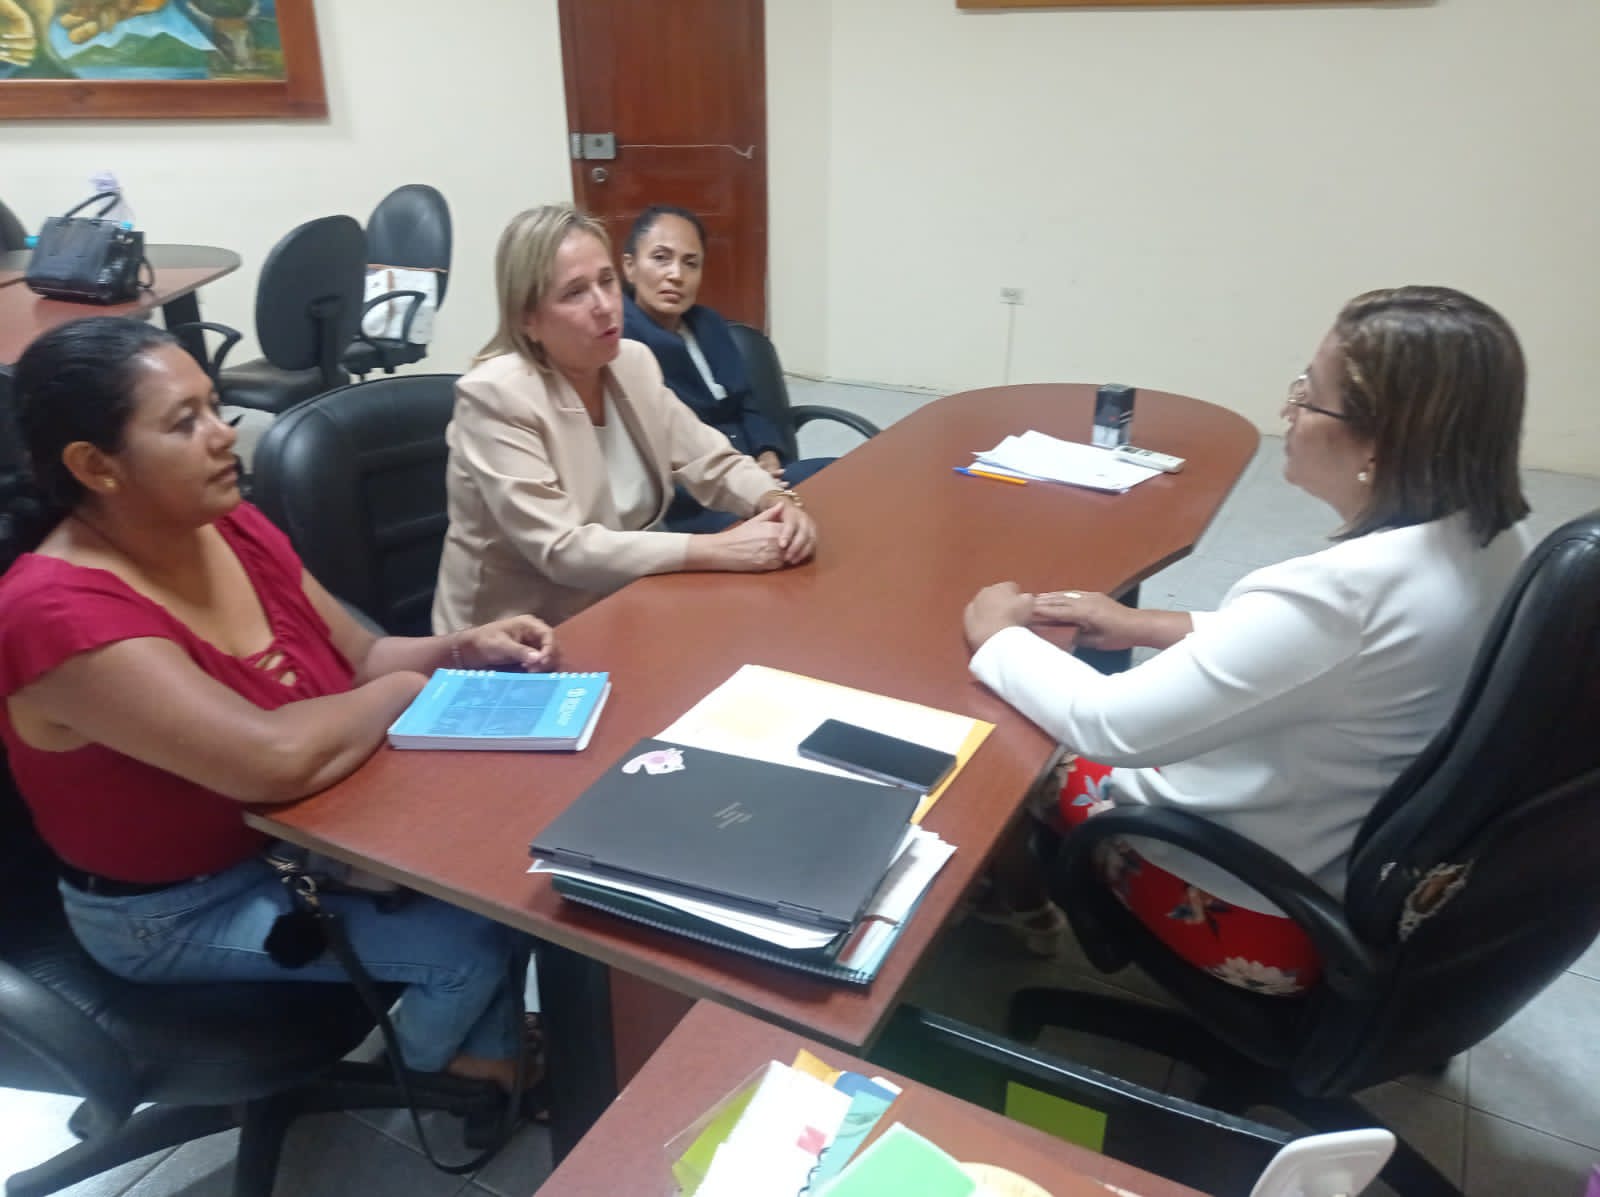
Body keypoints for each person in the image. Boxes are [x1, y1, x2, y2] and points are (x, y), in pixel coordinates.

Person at [0, 317, 556, 1094]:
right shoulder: (56, 613)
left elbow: (360, 658)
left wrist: (460, 648)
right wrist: (409, 691)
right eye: (183, 422)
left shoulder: (225, 523)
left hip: (293, 841)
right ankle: (447, 1079)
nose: (223, 433)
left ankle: (479, 1045)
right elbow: (273, 759)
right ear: (95, 465)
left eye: (214, 406)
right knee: (469, 940)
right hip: (173, 909)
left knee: (501, 871)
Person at [962, 286, 1532, 995]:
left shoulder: (1345, 593)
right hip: (1358, 859)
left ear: (1378, 443)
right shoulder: (1497, 536)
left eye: (1310, 399)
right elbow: (1319, 659)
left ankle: (1010, 902)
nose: (1287, 413)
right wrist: (1148, 624)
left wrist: (997, 637)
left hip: (1255, 906)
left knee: (1016, 734)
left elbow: (1109, 726)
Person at [432, 204, 817, 631]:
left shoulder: (632, 362)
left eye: (606, 281)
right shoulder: (495, 397)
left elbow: (711, 460)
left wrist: (776, 501)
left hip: (628, 600)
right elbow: (562, 549)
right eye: (575, 292)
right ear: (528, 319)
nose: (604, 306)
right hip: (521, 634)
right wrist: (718, 549)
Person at [620, 204, 832, 533]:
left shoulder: (709, 325)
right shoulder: (623, 343)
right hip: (698, 497)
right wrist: (744, 479)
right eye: (661, 258)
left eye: (691, 263)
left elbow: (747, 401)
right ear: (630, 267)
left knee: (844, 477)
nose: (676, 274)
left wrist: (767, 452)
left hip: (758, 476)